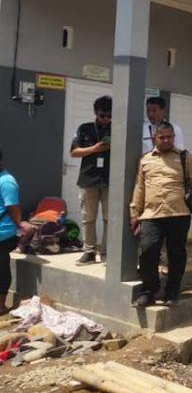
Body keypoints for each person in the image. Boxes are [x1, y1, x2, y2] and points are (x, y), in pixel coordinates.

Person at [130, 122, 192, 307]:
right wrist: (134, 213)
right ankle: (149, 292)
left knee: (176, 254)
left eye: (169, 137)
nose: (166, 140)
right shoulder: (146, 160)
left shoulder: (184, 157)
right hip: (152, 215)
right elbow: (139, 188)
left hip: (178, 214)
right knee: (148, 252)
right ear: (154, 139)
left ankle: (172, 292)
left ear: (173, 138)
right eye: (162, 137)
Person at [70, 95, 112, 266]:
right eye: (103, 115)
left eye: (110, 116)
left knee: (110, 218)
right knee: (88, 218)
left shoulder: (117, 129)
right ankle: (89, 251)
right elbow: (73, 152)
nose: (106, 119)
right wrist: (94, 149)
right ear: (96, 113)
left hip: (110, 180)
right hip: (88, 180)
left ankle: (107, 252)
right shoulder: (84, 128)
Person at [0, 150, 21, 316]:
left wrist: (20, 225)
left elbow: (13, 208)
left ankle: (1, 304)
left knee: (1, 268)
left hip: (4, 234)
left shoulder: (7, 182)